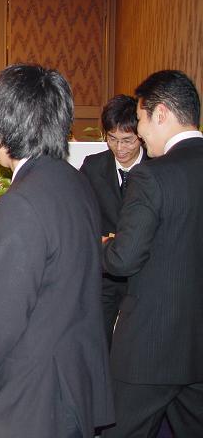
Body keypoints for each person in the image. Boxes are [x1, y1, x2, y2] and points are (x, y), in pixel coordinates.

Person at [0, 64, 114, 438]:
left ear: (2, 129)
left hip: (37, 390)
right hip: (75, 372)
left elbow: (5, 310)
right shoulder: (75, 180)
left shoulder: (21, 201)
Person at [101, 70, 203, 438]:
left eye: (141, 119)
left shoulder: (151, 176)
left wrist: (105, 245)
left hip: (150, 348)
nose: (140, 132)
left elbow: (123, 259)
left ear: (160, 114)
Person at [80, 94, 147, 348]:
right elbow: (81, 214)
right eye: (112, 139)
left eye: (128, 140)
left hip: (143, 273)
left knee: (136, 347)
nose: (120, 148)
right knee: (97, 342)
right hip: (105, 274)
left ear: (141, 135)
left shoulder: (157, 167)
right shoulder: (93, 166)